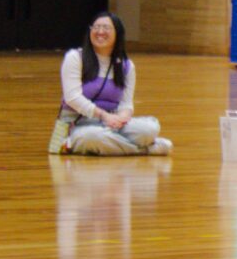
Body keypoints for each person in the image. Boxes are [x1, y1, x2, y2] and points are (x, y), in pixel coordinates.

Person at [52, 12, 171, 156]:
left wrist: (121, 118)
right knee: (91, 138)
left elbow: (126, 104)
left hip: (111, 123)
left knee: (149, 129)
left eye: (106, 28)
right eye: (96, 27)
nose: (100, 32)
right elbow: (72, 98)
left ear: (117, 34)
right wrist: (103, 116)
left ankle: (111, 144)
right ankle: (146, 150)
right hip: (79, 123)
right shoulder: (75, 58)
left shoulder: (127, 66)